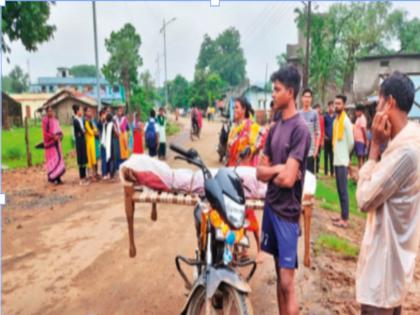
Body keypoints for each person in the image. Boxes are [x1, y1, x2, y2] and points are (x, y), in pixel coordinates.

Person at [355, 72, 420, 315]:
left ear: (389, 103)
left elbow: (364, 199)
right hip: (389, 268)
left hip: (382, 274)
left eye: (378, 103)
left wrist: (373, 149)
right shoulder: (405, 144)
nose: (376, 109)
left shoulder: (406, 152)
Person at [257, 65, 310, 315]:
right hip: (271, 207)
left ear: (290, 92)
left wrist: (275, 173)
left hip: (287, 214)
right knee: (279, 278)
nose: (273, 94)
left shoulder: (300, 129)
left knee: (288, 284)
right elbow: (260, 171)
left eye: (277, 90)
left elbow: (289, 180)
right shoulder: (275, 128)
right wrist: (280, 168)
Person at [226, 97, 262, 256]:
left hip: (246, 174)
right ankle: (240, 248)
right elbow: (228, 150)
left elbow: (260, 142)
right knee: (234, 210)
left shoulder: (252, 126)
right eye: (234, 108)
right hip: (233, 171)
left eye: (237, 108)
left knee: (247, 211)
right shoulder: (234, 129)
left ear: (245, 110)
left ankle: (260, 248)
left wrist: (251, 150)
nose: (235, 111)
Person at [331, 95, 354, 229]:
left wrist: (346, 155)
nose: (336, 106)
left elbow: (351, 142)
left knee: (344, 191)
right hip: (336, 159)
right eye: (335, 103)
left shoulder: (346, 121)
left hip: (343, 160)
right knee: (339, 190)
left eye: (339, 104)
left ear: (343, 105)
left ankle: (345, 219)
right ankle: (342, 215)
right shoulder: (336, 121)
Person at [42, 106, 65, 185]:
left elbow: (59, 130)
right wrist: (52, 137)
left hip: (57, 143)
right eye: (49, 111)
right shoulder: (45, 121)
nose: (50, 112)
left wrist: (60, 135)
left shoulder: (55, 120)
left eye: (51, 111)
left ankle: (58, 178)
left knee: (58, 159)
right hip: (50, 145)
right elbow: (45, 133)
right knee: (52, 161)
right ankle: (52, 177)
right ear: (46, 112)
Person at [299, 88, 320, 174]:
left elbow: (318, 132)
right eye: (305, 97)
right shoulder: (298, 114)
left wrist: (316, 150)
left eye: (309, 97)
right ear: (302, 98)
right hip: (299, 152)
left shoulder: (314, 114)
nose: (307, 99)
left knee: (309, 178)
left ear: (311, 99)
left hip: (310, 152)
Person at [72, 105, 89, 185]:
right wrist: (82, 132)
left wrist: (82, 132)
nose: (81, 112)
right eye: (80, 110)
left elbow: (83, 131)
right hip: (79, 142)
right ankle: (81, 179)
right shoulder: (75, 120)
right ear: (77, 111)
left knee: (84, 159)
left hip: (82, 140)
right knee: (81, 160)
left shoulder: (81, 120)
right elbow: (81, 131)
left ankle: (84, 177)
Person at [85, 107, 99, 181]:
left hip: (93, 141)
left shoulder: (91, 121)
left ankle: (94, 174)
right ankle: (90, 175)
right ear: (85, 113)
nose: (89, 112)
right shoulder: (86, 121)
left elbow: (95, 129)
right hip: (88, 142)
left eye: (90, 111)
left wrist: (95, 131)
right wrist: (95, 132)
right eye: (88, 111)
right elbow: (90, 132)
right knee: (89, 159)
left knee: (94, 158)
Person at [101, 112, 115, 179]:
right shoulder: (112, 125)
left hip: (105, 143)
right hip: (111, 143)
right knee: (111, 158)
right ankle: (111, 173)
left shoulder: (105, 125)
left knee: (106, 158)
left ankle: (106, 173)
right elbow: (116, 133)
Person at [353, 105, 368, 169]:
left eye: (356, 111)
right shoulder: (358, 118)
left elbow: (364, 130)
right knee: (359, 157)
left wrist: (366, 140)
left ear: (360, 111)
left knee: (361, 156)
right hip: (357, 140)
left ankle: (361, 171)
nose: (355, 113)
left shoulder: (362, 118)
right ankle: (360, 170)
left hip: (361, 140)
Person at [324, 101, 336, 177]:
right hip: (326, 139)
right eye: (330, 106)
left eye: (332, 106)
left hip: (333, 139)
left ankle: (332, 172)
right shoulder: (325, 116)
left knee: (332, 156)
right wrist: (324, 135)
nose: (331, 108)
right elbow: (323, 127)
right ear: (328, 107)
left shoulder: (336, 116)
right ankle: (325, 172)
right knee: (326, 156)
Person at [314, 103, 325, 175]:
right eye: (316, 108)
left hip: (319, 141)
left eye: (319, 108)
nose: (318, 110)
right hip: (312, 141)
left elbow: (323, 130)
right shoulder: (312, 117)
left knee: (318, 157)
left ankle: (317, 172)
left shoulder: (321, 118)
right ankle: (312, 171)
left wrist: (322, 140)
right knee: (311, 157)